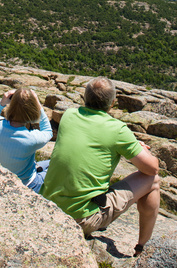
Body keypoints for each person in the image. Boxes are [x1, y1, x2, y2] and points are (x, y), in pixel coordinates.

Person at [40, 77, 160, 257]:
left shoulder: (69, 115)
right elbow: (152, 169)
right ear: (112, 103)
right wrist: (140, 148)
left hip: (48, 206)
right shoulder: (117, 130)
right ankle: (141, 248)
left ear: (84, 97)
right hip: (81, 218)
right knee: (153, 181)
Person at [0, 88, 52, 193]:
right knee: (60, 167)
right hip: (29, 183)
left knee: (51, 163)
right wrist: (38, 105)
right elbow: (48, 131)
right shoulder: (31, 139)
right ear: (32, 111)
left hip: (4, 176)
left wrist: (2, 103)